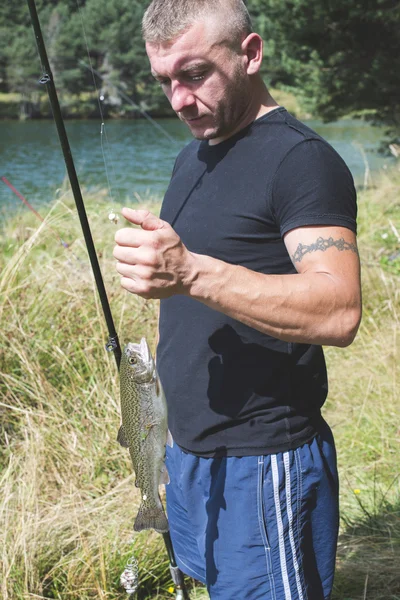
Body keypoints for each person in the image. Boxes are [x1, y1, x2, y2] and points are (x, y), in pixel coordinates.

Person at [113, 1, 362, 598]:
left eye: (195, 74)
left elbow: (339, 308)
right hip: (190, 451)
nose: (177, 100)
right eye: (164, 81)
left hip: (262, 458)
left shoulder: (302, 161)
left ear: (250, 54)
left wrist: (190, 272)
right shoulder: (192, 154)